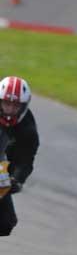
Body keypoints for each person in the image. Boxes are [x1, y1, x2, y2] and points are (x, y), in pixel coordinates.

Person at [0, 76, 39, 237]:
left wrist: (16, 180)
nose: (9, 109)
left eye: (15, 106)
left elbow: (25, 160)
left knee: (6, 222)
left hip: (1, 167)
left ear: (24, 106)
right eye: (6, 103)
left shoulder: (28, 129)